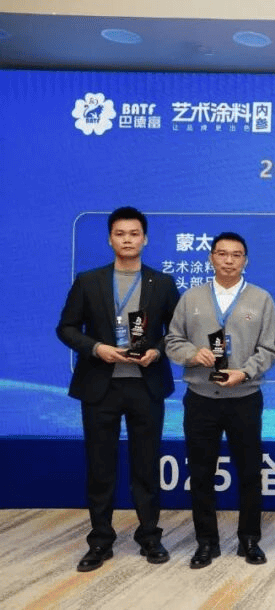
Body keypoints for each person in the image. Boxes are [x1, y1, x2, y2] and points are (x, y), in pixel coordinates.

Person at [57, 206, 180, 572]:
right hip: (101, 386)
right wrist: (97, 348)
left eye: (134, 234)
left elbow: (177, 332)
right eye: (120, 234)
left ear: (145, 239)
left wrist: (157, 351)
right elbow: (66, 328)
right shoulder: (89, 281)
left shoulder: (162, 283)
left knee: (146, 465)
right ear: (110, 239)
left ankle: (150, 537)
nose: (127, 240)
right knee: (100, 467)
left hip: (146, 386)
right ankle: (100, 541)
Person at [164, 232, 275, 569]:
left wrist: (245, 372)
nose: (229, 260)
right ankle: (206, 542)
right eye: (222, 254)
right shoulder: (191, 298)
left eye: (236, 255)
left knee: (249, 472)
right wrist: (191, 353)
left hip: (245, 397)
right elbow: (172, 340)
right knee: (200, 473)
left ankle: (249, 539)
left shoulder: (261, 299)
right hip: (201, 397)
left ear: (246, 260)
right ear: (211, 258)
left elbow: (269, 348)